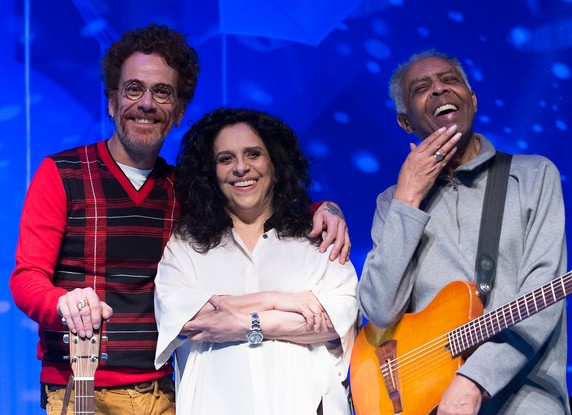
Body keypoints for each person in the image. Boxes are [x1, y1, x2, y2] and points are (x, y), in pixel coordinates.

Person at [10, 25, 350, 415]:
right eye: (133, 89)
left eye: (162, 92)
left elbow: (251, 197)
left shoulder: (180, 188)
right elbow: (25, 278)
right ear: (111, 101)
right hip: (79, 383)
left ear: (179, 111)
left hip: (161, 389)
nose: (147, 103)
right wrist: (63, 302)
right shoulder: (62, 173)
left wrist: (321, 208)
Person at [357, 49, 569, 414]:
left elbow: (544, 294)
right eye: (421, 87)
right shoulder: (392, 202)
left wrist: (475, 379)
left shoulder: (533, 176)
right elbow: (379, 310)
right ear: (405, 122)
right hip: (428, 402)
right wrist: (408, 200)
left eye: (450, 80)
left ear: (472, 100)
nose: (439, 90)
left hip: (526, 398)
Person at [154, 108, 359, 415]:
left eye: (253, 154)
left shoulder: (318, 235)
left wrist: (247, 323)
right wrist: (281, 301)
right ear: (211, 173)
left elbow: (337, 319)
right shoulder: (187, 242)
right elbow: (185, 317)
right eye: (225, 158)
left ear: (275, 165)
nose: (241, 167)